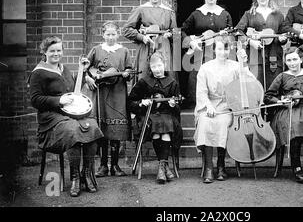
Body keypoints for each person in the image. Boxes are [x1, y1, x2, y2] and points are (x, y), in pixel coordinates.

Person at [28, 36, 103, 197]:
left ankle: (87, 174)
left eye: (59, 50)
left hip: (69, 115)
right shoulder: (39, 73)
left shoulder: (64, 69)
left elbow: (74, 90)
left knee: (93, 126)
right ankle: (75, 177)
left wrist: (83, 70)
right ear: (44, 52)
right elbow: (35, 100)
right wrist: (58, 100)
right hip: (51, 120)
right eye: (52, 51)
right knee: (73, 130)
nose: (56, 53)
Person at [194, 36, 253, 183]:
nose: (223, 52)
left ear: (230, 50)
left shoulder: (235, 66)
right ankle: (208, 167)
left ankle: (221, 165)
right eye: (219, 49)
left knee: (222, 123)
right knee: (205, 122)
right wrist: (208, 106)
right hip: (209, 104)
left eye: (226, 49)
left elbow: (249, 80)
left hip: (228, 106)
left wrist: (243, 63)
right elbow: (201, 92)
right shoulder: (205, 67)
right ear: (214, 49)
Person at [264, 46, 303, 184]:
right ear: (285, 62)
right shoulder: (282, 76)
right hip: (287, 111)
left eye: (294, 59)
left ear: (301, 59)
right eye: (289, 60)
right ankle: (296, 166)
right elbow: (268, 97)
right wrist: (280, 100)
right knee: (293, 125)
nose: (292, 63)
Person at [83, 21, 133, 177]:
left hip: (117, 93)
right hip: (101, 92)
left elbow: (129, 69)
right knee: (103, 127)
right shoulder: (96, 50)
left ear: (118, 34)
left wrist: (126, 73)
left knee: (116, 128)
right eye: (108, 34)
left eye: (113, 34)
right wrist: (88, 78)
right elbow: (85, 67)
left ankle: (116, 165)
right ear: (103, 34)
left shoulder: (124, 51)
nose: (111, 37)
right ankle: (103, 165)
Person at [128, 52, 183, 184]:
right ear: (150, 68)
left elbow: (178, 108)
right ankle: (164, 167)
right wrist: (142, 103)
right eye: (154, 67)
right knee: (157, 126)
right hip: (148, 117)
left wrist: (173, 104)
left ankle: (161, 167)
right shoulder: (143, 82)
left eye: (159, 65)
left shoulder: (172, 83)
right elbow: (131, 102)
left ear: (164, 65)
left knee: (164, 124)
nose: (157, 69)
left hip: (168, 118)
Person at [181, 0, 233, 106]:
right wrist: (191, 42)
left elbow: (231, 33)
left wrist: (226, 39)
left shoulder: (225, 14)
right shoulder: (196, 14)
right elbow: (183, 31)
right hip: (200, 55)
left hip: (218, 54)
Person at [235, 0, 288, 90]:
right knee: (256, 87)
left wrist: (283, 39)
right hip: (255, 57)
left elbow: (283, 34)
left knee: (273, 87)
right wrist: (251, 42)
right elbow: (238, 32)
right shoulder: (249, 14)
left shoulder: (278, 15)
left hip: (274, 57)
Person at [123, 0, 177, 83]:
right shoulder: (141, 9)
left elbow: (176, 33)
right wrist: (142, 37)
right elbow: (126, 30)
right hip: (146, 48)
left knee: (164, 77)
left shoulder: (169, 11)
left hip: (164, 48)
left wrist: (170, 35)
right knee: (145, 76)